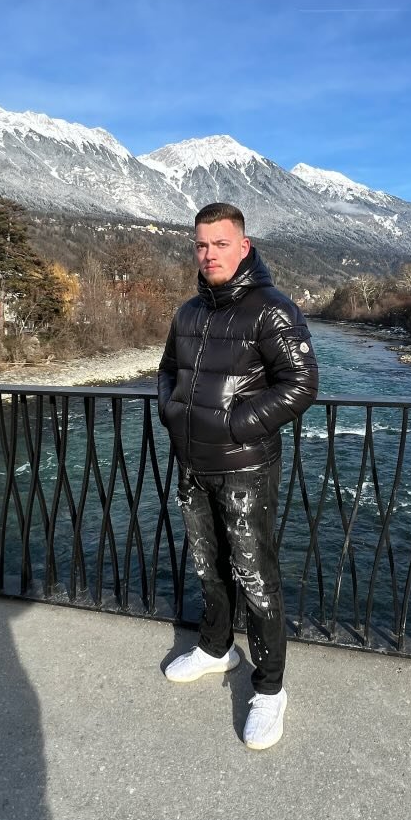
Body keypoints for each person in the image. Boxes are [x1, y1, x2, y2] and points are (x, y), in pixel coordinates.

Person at [157, 203, 318, 750]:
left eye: (220, 244)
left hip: (245, 467)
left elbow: (301, 384)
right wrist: (172, 411)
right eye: (201, 245)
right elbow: (168, 370)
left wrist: (234, 424)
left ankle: (270, 690)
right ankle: (215, 647)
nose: (209, 254)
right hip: (192, 462)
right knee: (208, 565)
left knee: (256, 577)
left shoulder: (273, 309)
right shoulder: (188, 313)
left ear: (243, 247)